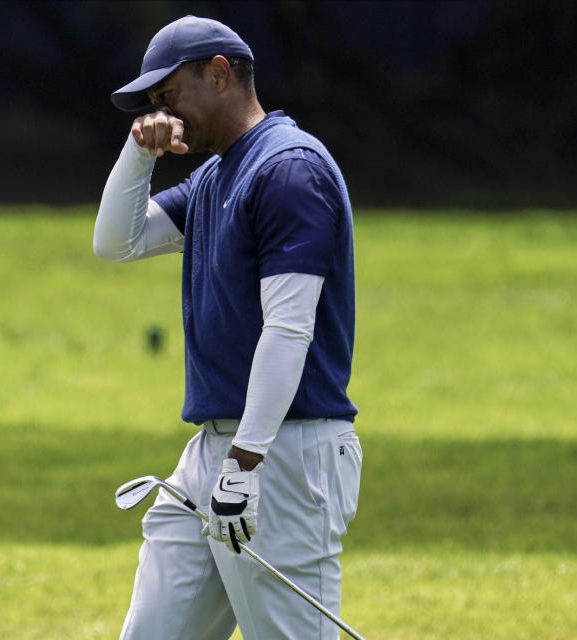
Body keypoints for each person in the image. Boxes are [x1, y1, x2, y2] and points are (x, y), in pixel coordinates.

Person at [94, 15, 362, 640]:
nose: (165, 115)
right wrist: (140, 151)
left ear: (218, 75)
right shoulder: (217, 176)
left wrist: (244, 464)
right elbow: (116, 242)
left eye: (168, 98)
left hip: (284, 454)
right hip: (215, 452)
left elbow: (288, 330)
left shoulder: (289, 170)